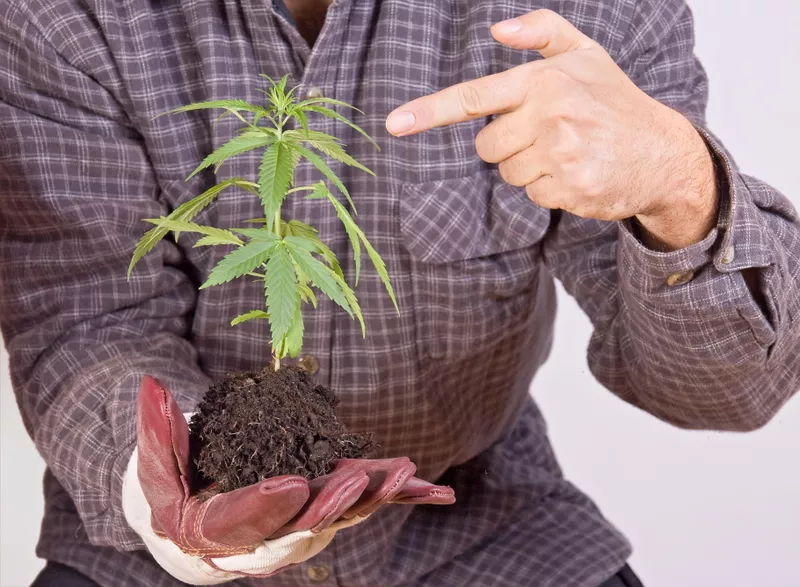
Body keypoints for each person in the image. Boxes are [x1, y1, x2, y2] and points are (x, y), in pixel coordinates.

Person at [1, 0, 797, 585]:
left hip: (475, 525)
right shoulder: (67, 17)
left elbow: (729, 394)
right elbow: (84, 317)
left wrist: (681, 188)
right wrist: (172, 495)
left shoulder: (579, 13)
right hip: (145, 557)